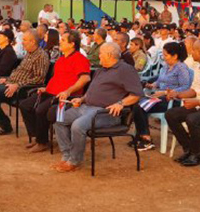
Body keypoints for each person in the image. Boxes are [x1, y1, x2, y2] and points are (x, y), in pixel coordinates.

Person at [52, 43, 143, 172]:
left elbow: (136, 95)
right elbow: (91, 91)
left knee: (77, 126)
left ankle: (74, 161)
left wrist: (121, 103)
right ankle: (67, 156)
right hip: (86, 107)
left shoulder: (125, 70)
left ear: (110, 55)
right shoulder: (101, 70)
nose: (98, 55)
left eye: (100, 53)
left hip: (105, 113)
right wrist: (81, 99)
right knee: (59, 120)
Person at [19, 31, 91, 152]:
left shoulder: (80, 59)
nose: (59, 42)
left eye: (63, 40)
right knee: (25, 105)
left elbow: (85, 78)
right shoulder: (61, 59)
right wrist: (46, 88)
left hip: (65, 96)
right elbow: (56, 78)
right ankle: (38, 136)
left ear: (72, 44)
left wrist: (68, 91)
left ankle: (42, 142)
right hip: (51, 92)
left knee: (40, 110)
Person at [0, 29, 50, 134]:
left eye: (25, 40)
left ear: (33, 42)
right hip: (11, 84)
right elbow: (19, 72)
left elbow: (39, 79)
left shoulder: (41, 56)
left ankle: (4, 125)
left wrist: (17, 85)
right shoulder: (29, 53)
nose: (22, 42)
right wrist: (7, 79)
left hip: (23, 90)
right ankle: (0, 123)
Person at [135, 42, 193, 151]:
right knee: (136, 103)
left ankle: (146, 139)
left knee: (140, 106)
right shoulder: (166, 66)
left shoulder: (181, 68)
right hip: (159, 97)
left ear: (175, 56)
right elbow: (160, 80)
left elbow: (186, 87)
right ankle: (141, 136)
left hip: (172, 100)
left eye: (166, 55)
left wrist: (165, 92)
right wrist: (153, 85)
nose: (164, 57)